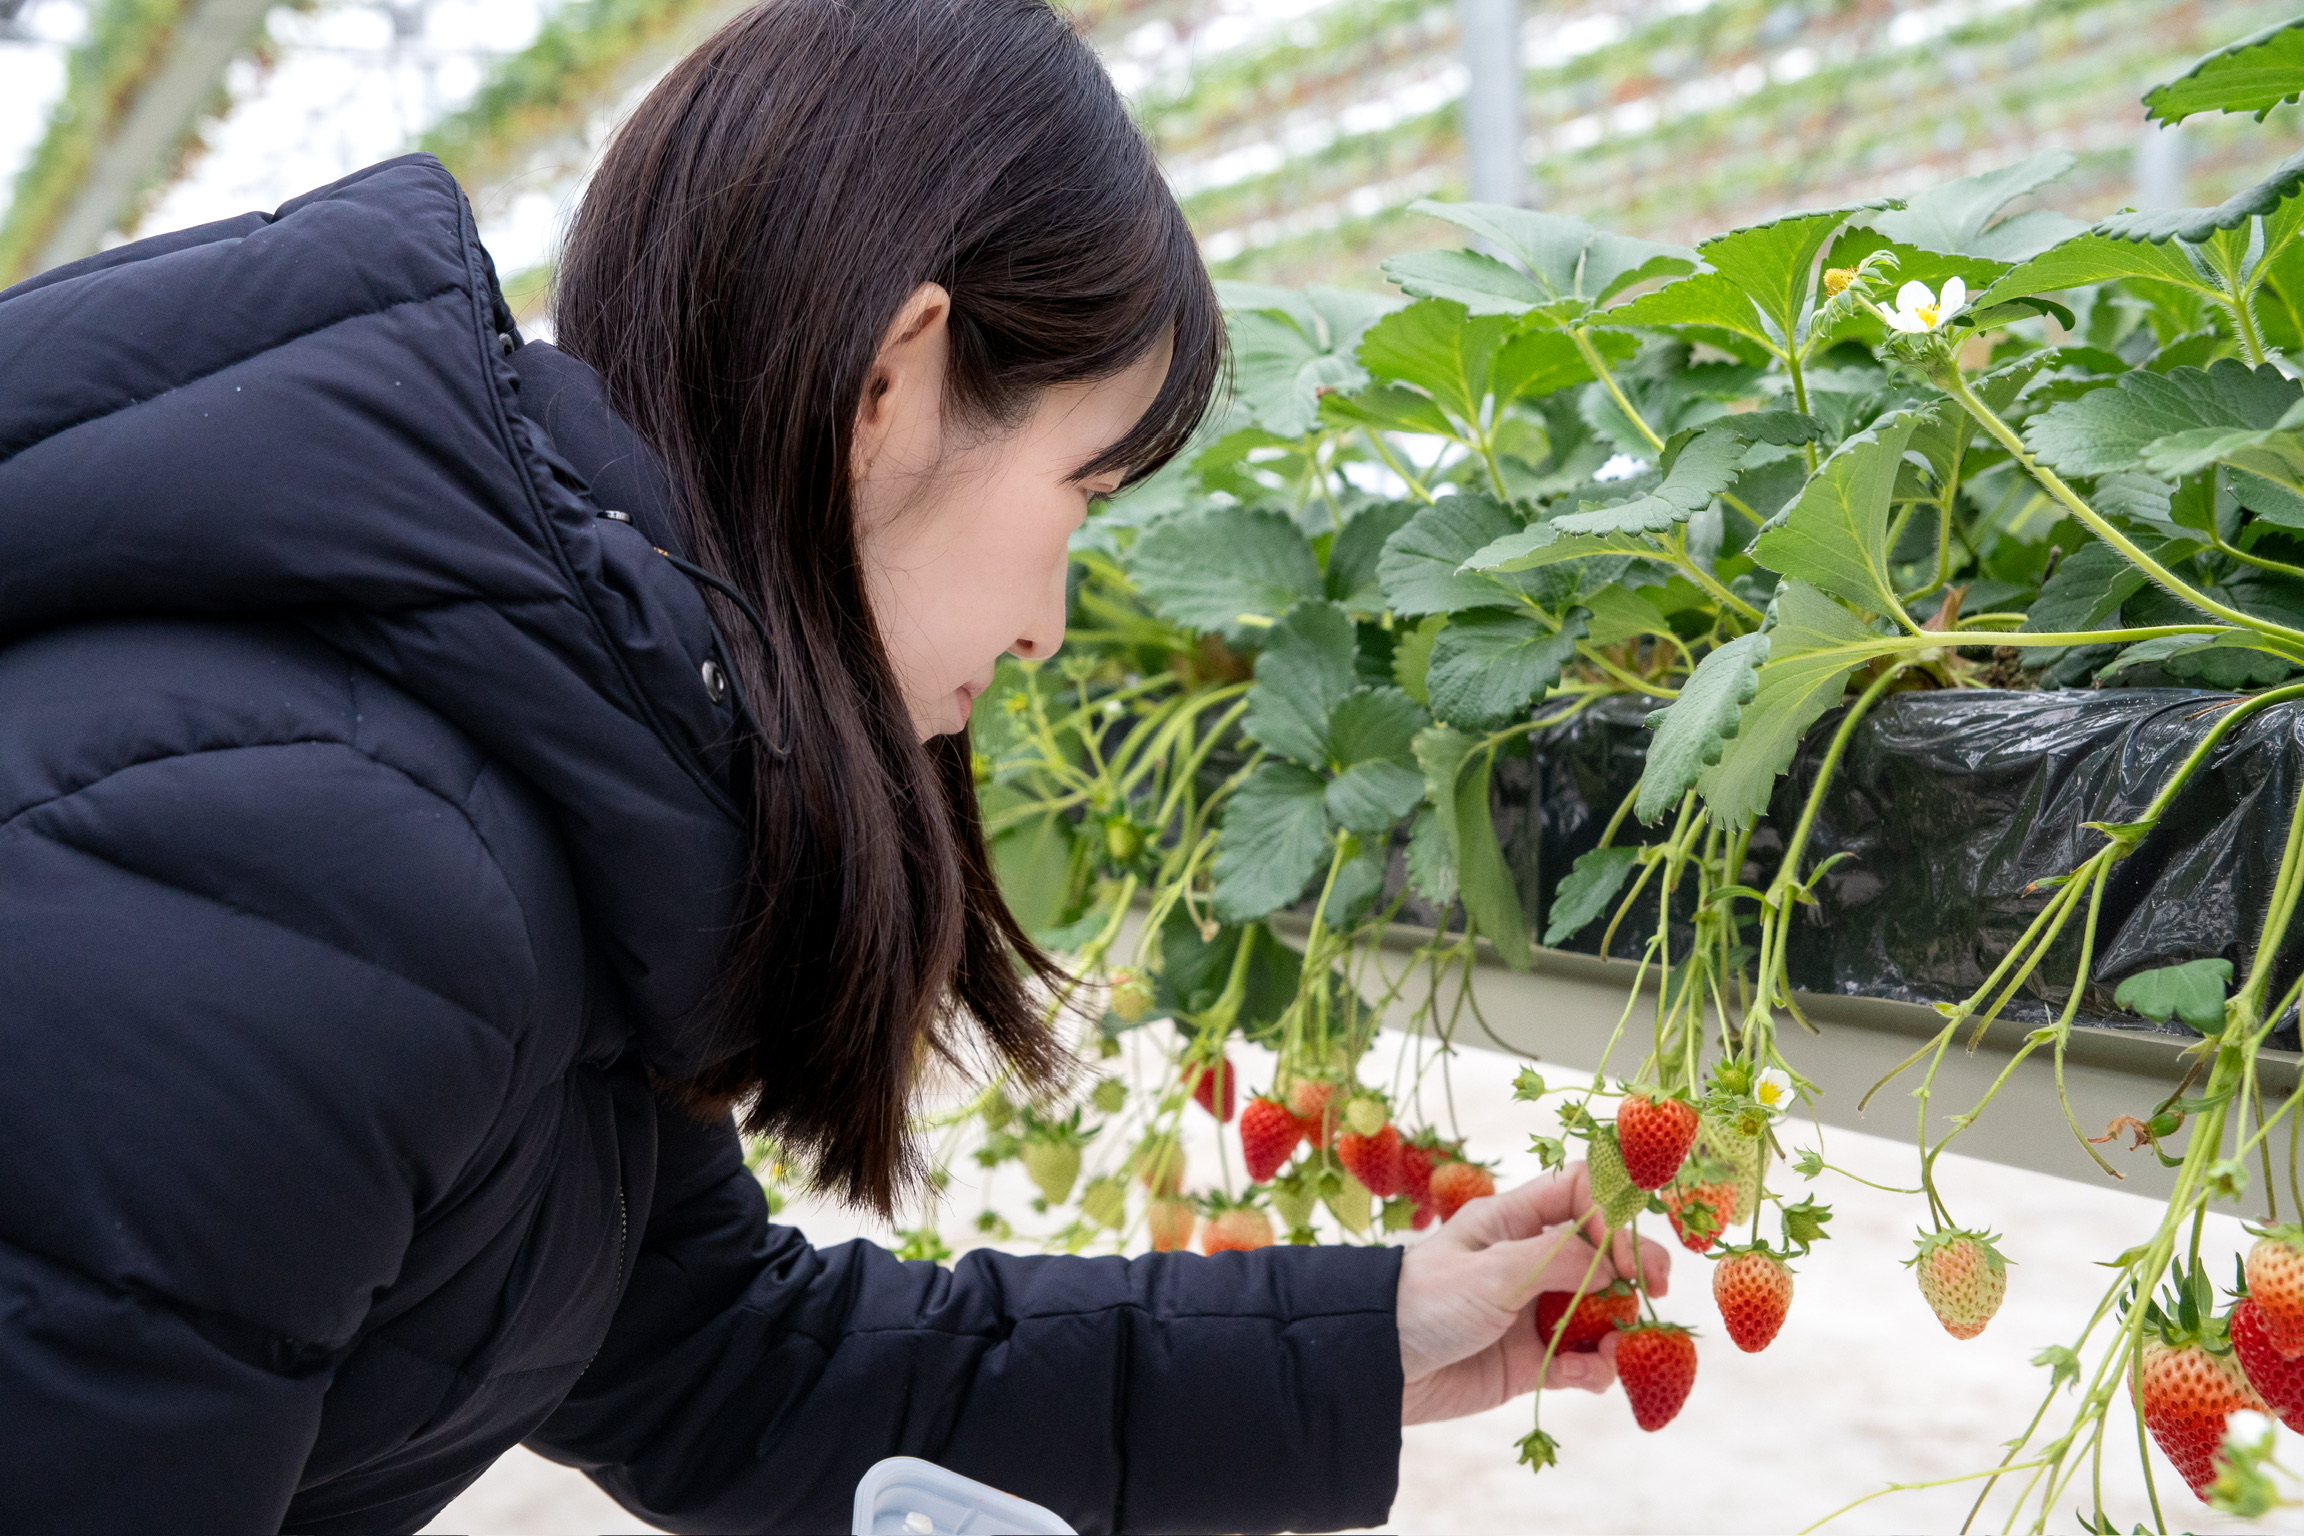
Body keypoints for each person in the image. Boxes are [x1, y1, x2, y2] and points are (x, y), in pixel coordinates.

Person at [0, 1, 1668, 1531]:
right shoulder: (321, 869)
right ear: (897, 378)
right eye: (1085, 489)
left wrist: (1371, 1339)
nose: (1050, 629)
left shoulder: (539, 827)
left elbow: (741, 1369)